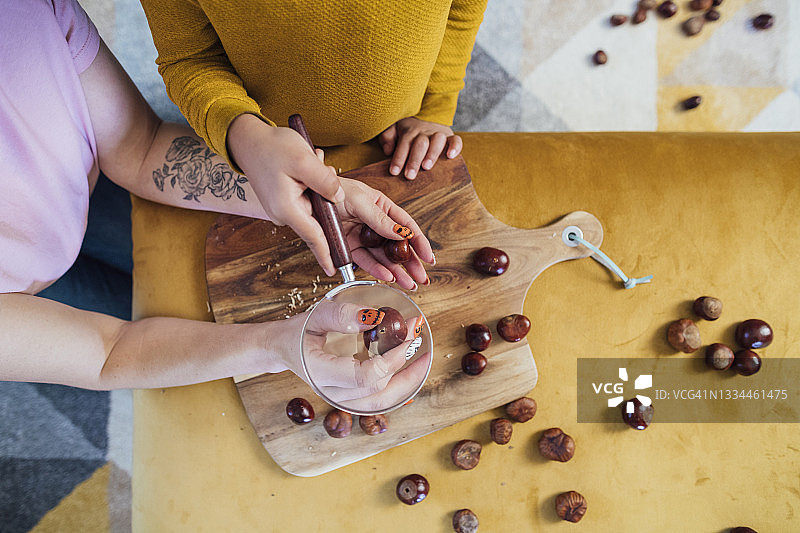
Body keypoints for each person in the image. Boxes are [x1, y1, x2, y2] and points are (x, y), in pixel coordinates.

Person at [0, 0, 431, 400]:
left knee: (167, 292)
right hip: (13, 291)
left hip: (83, 186)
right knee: (134, 312)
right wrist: (275, 346)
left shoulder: (25, 12)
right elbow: (107, 352)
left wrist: (294, 199)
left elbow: (140, 146)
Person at [139, 0, 487, 184]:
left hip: (401, 128)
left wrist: (434, 109)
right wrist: (244, 136)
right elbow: (192, 57)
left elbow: (461, 10)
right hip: (260, 137)